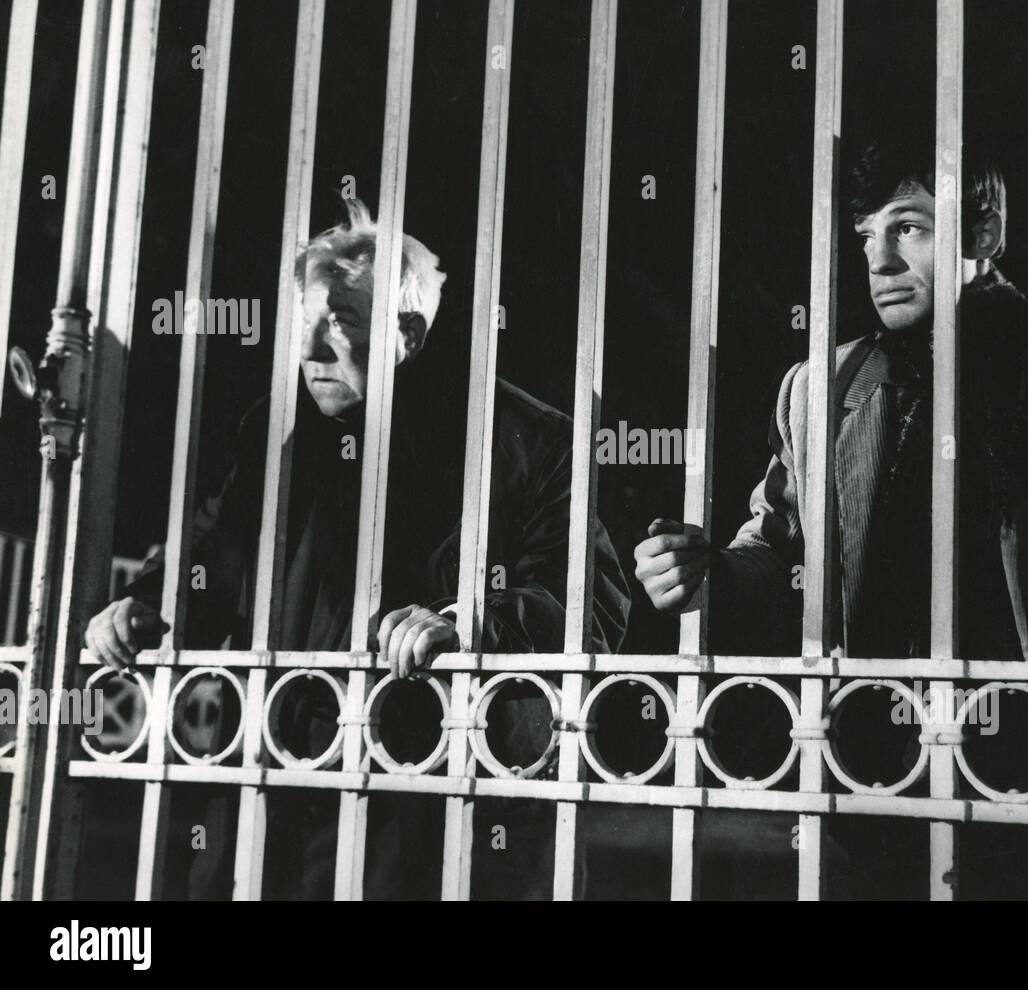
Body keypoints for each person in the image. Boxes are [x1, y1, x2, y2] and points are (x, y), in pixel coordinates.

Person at [633, 130, 1028, 898]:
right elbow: (777, 551)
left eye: (907, 227)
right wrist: (705, 573)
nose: (878, 260)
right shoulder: (820, 384)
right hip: (869, 785)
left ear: (984, 232)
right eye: (866, 236)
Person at [84, 199, 631, 898]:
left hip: (437, 817)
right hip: (274, 792)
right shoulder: (277, 429)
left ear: (407, 331)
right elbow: (212, 554)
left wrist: (469, 623)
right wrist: (142, 602)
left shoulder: (529, 438)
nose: (309, 352)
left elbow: (591, 607)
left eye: (336, 326)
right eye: (301, 325)